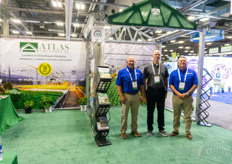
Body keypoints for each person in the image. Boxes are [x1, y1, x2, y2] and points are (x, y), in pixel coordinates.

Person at [169, 56, 198, 140]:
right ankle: (175, 130)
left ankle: (188, 132)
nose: (182, 63)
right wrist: (178, 93)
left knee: (188, 116)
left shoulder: (192, 73)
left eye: (184, 61)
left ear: (187, 63)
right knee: (176, 115)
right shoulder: (174, 73)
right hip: (176, 97)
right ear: (178, 63)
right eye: (181, 61)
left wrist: (187, 93)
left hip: (187, 97)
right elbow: (170, 84)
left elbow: (195, 84)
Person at [116, 56, 145, 139]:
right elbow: (119, 85)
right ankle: (123, 131)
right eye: (130, 61)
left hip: (136, 95)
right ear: (126, 62)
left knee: (135, 114)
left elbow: (142, 85)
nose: (131, 63)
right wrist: (121, 96)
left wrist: (142, 95)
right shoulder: (122, 72)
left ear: (135, 62)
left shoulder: (138, 72)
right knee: (124, 115)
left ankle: (134, 130)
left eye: (133, 61)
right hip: (126, 96)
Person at [143, 50, 169, 137]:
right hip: (150, 91)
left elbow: (166, 80)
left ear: (160, 56)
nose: (157, 56)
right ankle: (149, 129)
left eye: (159, 54)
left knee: (161, 111)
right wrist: (144, 93)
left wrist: (166, 91)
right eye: (156, 54)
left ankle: (161, 129)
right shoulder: (147, 67)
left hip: (161, 91)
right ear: (152, 56)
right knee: (150, 111)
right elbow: (144, 81)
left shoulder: (164, 67)